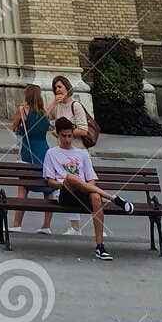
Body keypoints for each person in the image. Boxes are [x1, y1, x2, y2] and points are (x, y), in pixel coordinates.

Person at [42, 117, 133, 261]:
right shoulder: (51, 153)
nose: (67, 139)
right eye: (64, 136)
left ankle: (100, 247)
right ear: (57, 135)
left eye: (70, 136)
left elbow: (91, 179)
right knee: (71, 178)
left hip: (83, 192)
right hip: (65, 194)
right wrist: (69, 183)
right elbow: (51, 182)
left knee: (96, 197)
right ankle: (113, 198)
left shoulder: (82, 153)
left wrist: (83, 186)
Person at [47, 74, 91, 232]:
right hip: (63, 152)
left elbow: (84, 130)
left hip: (78, 151)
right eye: (55, 88)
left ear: (67, 87)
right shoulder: (58, 106)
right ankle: (75, 227)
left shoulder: (75, 106)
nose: (57, 89)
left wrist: (66, 133)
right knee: (69, 188)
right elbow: (44, 117)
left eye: (60, 86)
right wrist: (53, 102)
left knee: (82, 188)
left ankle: (91, 225)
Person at [10, 84, 53, 234]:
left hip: (29, 150)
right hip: (44, 150)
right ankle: (46, 226)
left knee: (23, 187)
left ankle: (17, 224)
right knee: (48, 189)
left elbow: (14, 127)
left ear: (27, 96)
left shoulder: (23, 111)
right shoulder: (44, 113)